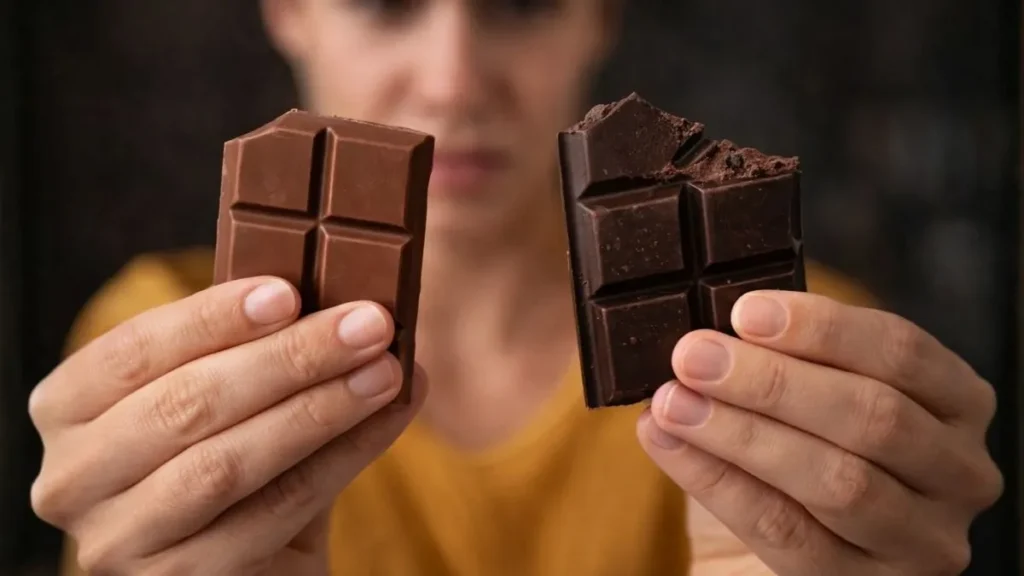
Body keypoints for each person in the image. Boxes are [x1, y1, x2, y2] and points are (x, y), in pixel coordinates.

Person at [29, 0, 1001, 574]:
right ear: (288, 9)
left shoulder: (799, 352)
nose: (452, 81)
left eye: (521, 2)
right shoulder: (160, 344)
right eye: (384, 1)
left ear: (600, 15)